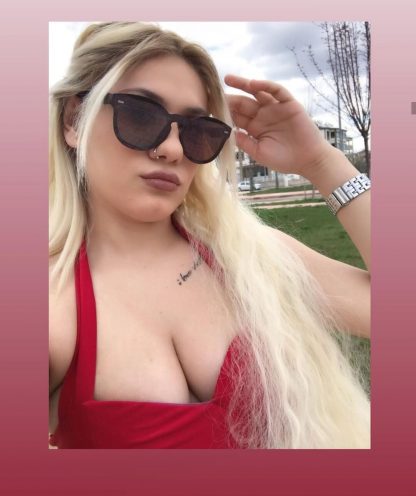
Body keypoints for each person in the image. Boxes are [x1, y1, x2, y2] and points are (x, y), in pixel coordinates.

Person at [49, 22, 370, 449]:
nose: (173, 149)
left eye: (196, 131)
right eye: (141, 115)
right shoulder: (53, 305)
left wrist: (321, 162)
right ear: (74, 120)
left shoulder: (253, 259)